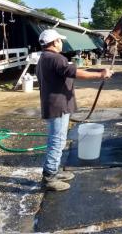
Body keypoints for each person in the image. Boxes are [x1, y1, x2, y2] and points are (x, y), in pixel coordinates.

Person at [36, 29, 113, 191]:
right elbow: (75, 72)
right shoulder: (55, 58)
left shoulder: (44, 58)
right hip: (58, 106)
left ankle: (54, 171)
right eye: (60, 40)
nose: (62, 43)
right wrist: (100, 74)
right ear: (55, 42)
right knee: (56, 141)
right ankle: (49, 177)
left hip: (55, 105)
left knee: (59, 139)